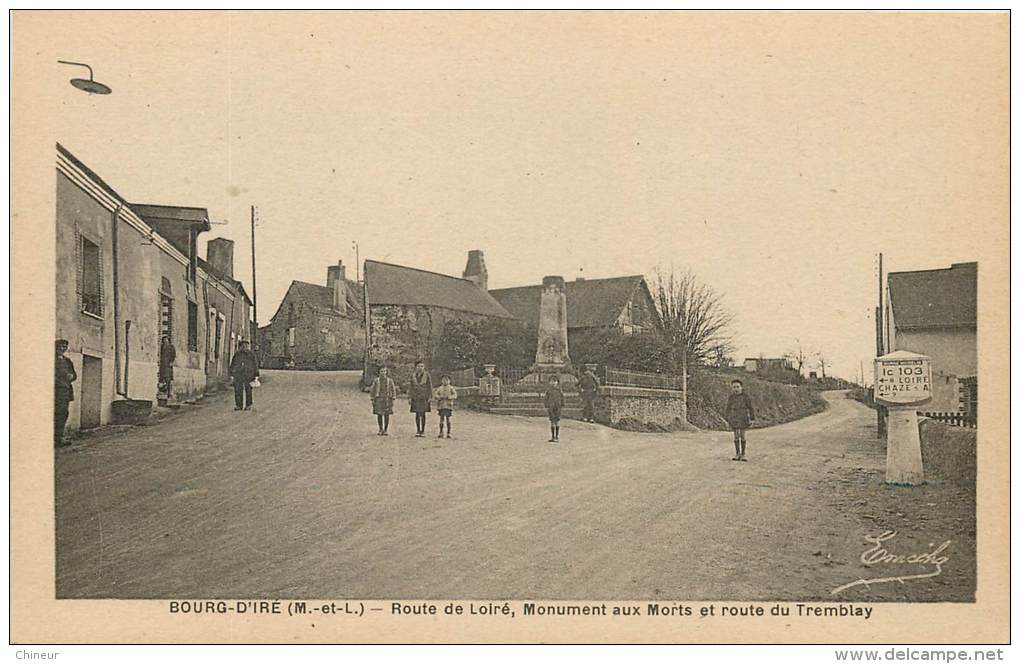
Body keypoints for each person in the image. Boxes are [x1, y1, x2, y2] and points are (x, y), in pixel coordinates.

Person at [725, 379, 756, 461]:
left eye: (738, 387)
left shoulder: (745, 397)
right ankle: (737, 453)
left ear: (741, 387)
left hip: (743, 418)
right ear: (732, 388)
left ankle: (743, 454)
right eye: (734, 387)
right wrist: (727, 418)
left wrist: (752, 418)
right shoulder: (731, 397)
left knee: (742, 436)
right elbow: (728, 408)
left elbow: (750, 408)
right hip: (734, 418)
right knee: (736, 436)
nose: (736, 389)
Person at [54, 339, 77, 447]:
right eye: (60, 346)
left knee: (63, 414)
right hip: (54, 391)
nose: (62, 348)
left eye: (64, 347)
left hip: (64, 391)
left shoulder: (67, 361)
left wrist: (71, 376)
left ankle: (59, 437)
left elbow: (74, 375)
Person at [228, 340, 260, 411]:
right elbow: (233, 364)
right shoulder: (237, 354)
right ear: (240, 346)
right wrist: (231, 374)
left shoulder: (251, 355)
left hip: (249, 375)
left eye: (246, 346)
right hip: (238, 375)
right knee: (238, 390)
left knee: (248, 390)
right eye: (243, 346)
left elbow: (255, 364)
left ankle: (248, 405)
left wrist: (256, 375)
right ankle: (239, 405)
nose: (244, 347)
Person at [407, 360, 433, 438]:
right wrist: (409, 397)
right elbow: (410, 387)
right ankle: (418, 430)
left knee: (423, 414)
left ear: (424, 367)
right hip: (415, 397)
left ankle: (423, 431)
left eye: (422, 366)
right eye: (418, 366)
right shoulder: (413, 376)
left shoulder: (427, 375)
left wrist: (430, 396)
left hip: (424, 397)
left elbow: (430, 386)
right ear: (415, 367)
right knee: (417, 414)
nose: (420, 368)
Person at [370, 366, 397, 435]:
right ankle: (380, 428)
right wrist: (372, 398)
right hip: (379, 399)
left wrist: (393, 397)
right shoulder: (376, 380)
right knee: (379, 414)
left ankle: (385, 429)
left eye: (384, 371)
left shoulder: (389, 381)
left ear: (386, 372)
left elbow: (393, 389)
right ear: (379, 372)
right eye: (382, 371)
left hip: (387, 399)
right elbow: (372, 389)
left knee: (386, 414)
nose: (383, 373)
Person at [433, 375, 458, 439]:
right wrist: (439, 397)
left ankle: (448, 433)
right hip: (441, 405)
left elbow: (455, 395)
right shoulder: (440, 388)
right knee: (441, 419)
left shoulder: (451, 388)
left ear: (449, 381)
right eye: (443, 380)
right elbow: (435, 394)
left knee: (448, 419)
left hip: (448, 405)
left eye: (447, 380)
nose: (445, 381)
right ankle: (441, 432)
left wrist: (450, 397)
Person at [544, 374, 565, 443]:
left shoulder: (559, 390)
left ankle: (557, 436)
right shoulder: (548, 391)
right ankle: (553, 436)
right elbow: (546, 399)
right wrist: (546, 406)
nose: (553, 383)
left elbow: (562, 398)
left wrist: (562, 405)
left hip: (558, 407)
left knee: (557, 421)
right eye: (552, 381)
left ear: (557, 382)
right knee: (552, 421)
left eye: (555, 381)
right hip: (551, 407)